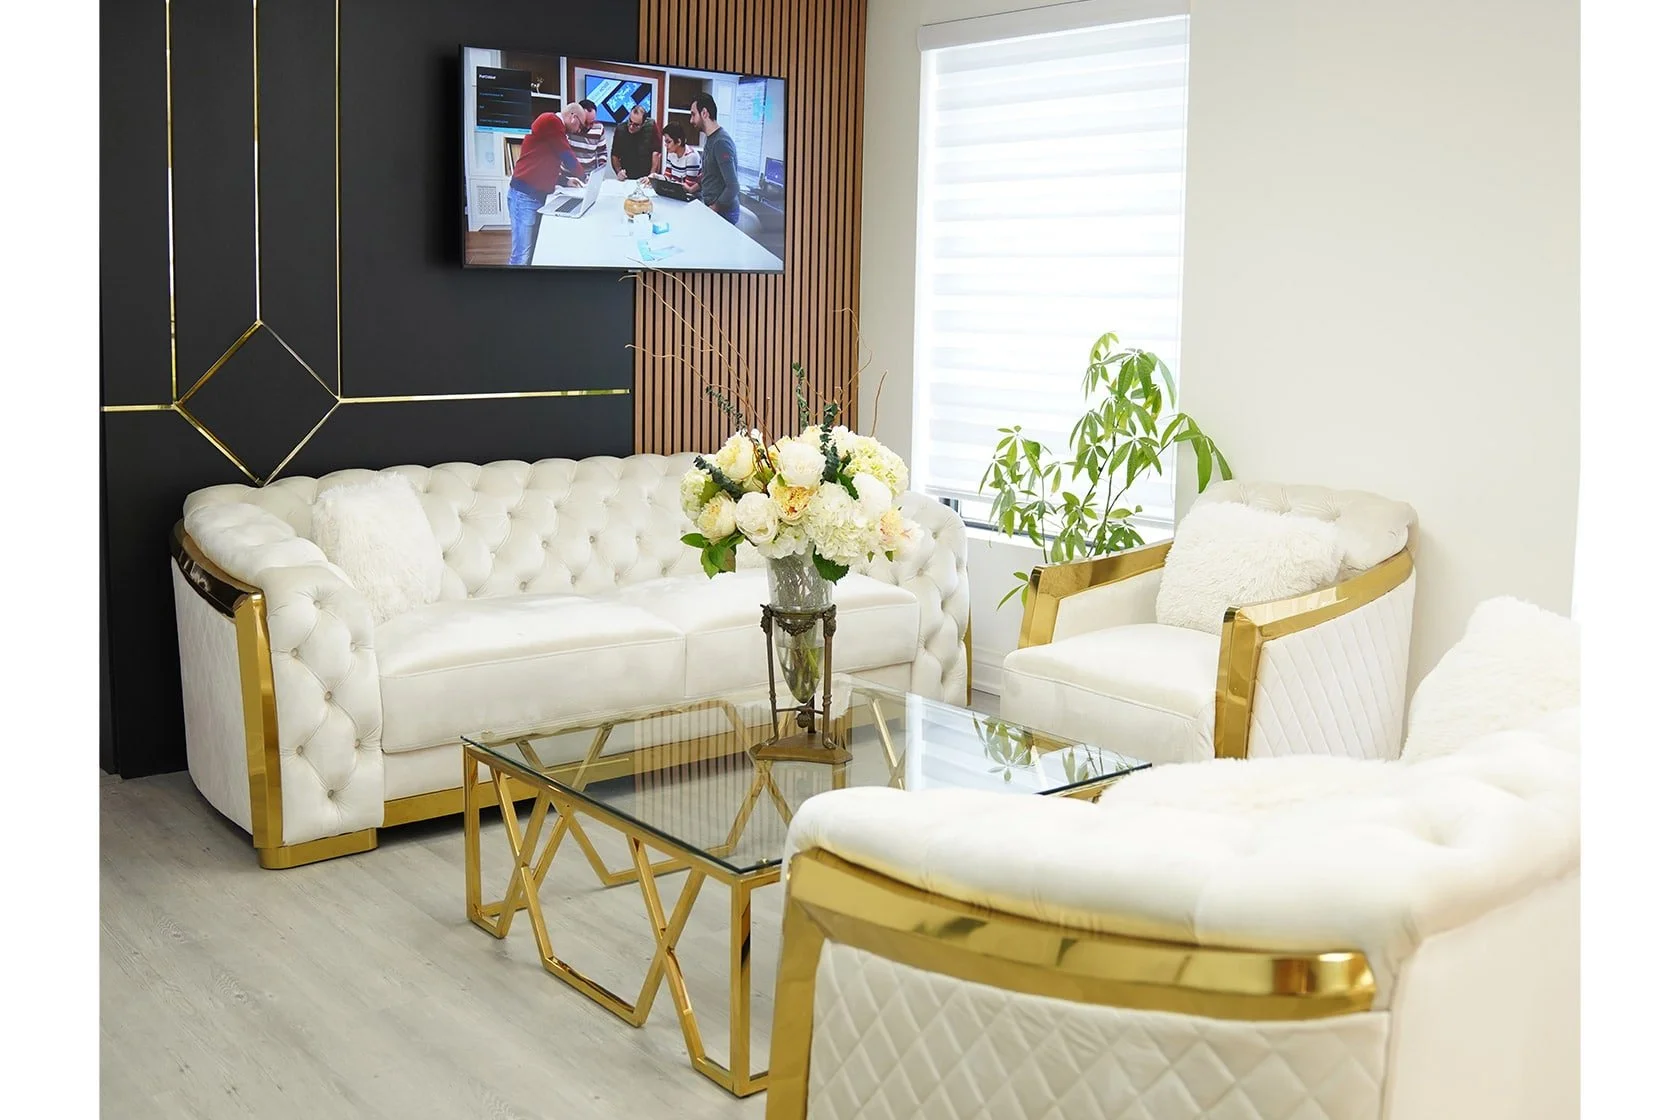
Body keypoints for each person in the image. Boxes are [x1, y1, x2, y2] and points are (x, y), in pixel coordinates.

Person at [505, 102, 590, 266]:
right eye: (581, 124)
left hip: (534, 196)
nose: (579, 129)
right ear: (573, 116)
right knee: (521, 256)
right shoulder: (551, 120)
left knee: (532, 251)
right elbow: (565, 153)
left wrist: (565, 180)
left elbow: (544, 164)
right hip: (524, 196)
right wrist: (584, 177)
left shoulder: (555, 129)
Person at [690, 93, 740, 225]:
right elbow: (710, 173)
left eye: (693, 114)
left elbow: (733, 186)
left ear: (704, 113)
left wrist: (713, 209)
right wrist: (691, 189)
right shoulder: (710, 138)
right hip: (713, 207)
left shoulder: (721, 142)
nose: (691, 120)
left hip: (724, 213)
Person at [610, 104, 660, 180]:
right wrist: (619, 172)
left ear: (643, 123)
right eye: (630, 121)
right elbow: (615, 155)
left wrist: (652, 175)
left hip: (645, 175)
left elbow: (656, 153)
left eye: (636, 125)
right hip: (627, 176)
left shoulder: (651, 126)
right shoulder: (620, 129)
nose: (631, 127)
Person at [651, 123, 703, 195]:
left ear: (678, 142)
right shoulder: (671, 153)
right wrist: (654, 177)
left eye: (668, 142)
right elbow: (668, 177)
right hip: (676, 193)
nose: (666, 145)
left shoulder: (692, 157)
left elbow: (688, 187)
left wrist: (670, 183)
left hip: (691, 198)